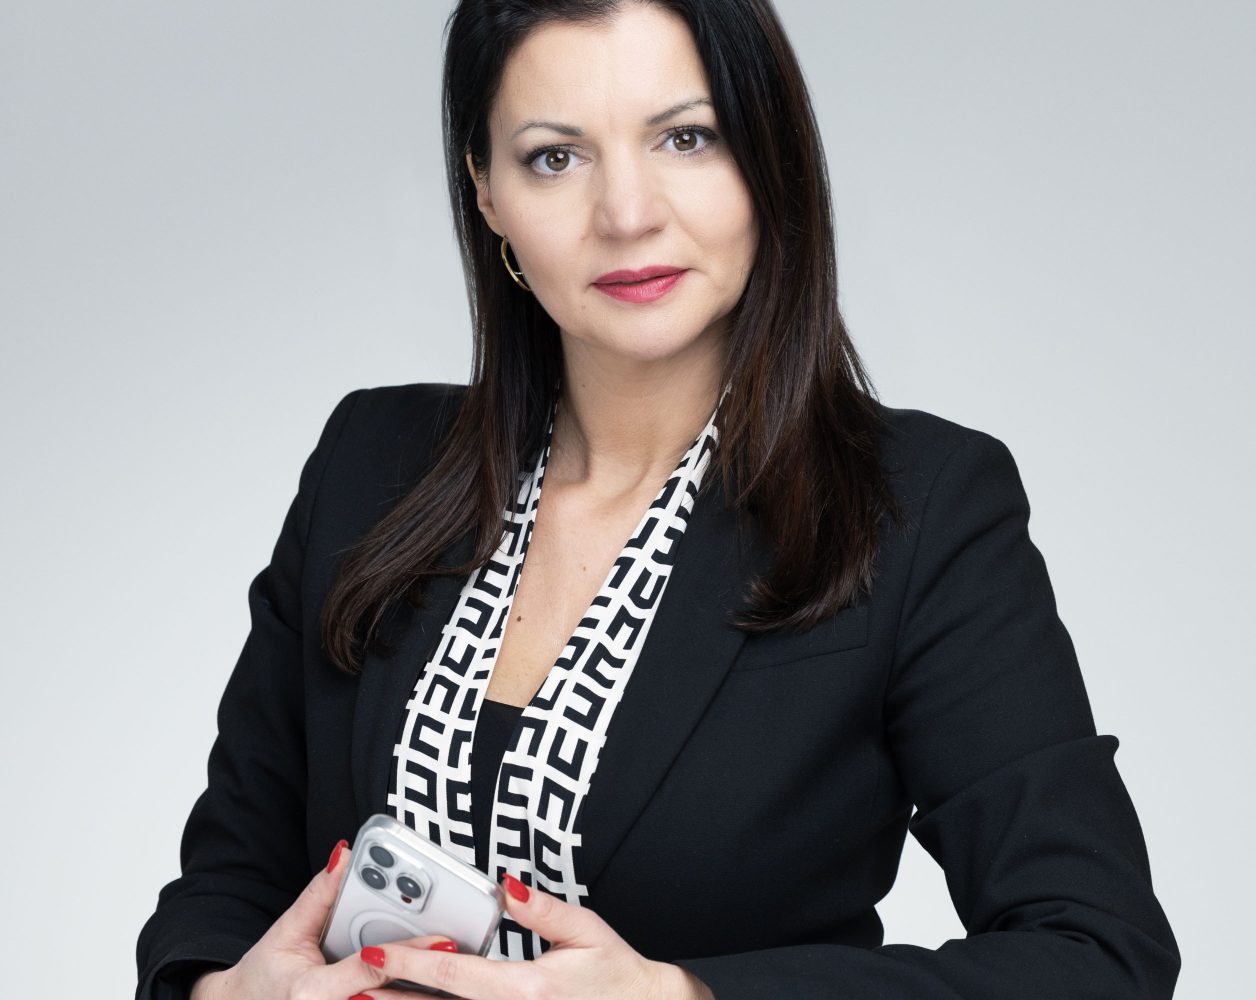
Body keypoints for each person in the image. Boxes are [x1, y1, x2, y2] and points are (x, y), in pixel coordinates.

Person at [135, 1, 1180, 997]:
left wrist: (684, 996)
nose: (627, 215)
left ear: (766, 153)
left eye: (686, 138)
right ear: (487, 192)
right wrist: (222, 990)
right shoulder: (368, 464)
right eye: (555, 157)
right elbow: (225, 885)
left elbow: (1096, 956)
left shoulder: (918, 511)